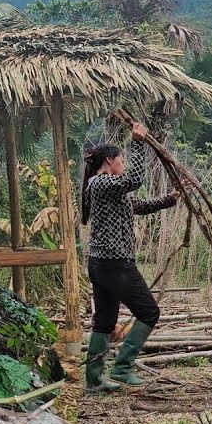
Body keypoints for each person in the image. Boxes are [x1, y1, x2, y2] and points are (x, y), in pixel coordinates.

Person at [81, 121, 181, 393]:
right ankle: (123, 369)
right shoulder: (101, 183)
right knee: (149, 312)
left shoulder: (107, 188)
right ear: (110, 161)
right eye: (121, 159)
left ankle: (94, 380)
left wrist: (169, 199)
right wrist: (138, 142)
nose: (123, 163)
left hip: (102, 264)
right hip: (115, 263)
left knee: (103, 320)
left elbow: (137, 206)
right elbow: (134, 180)